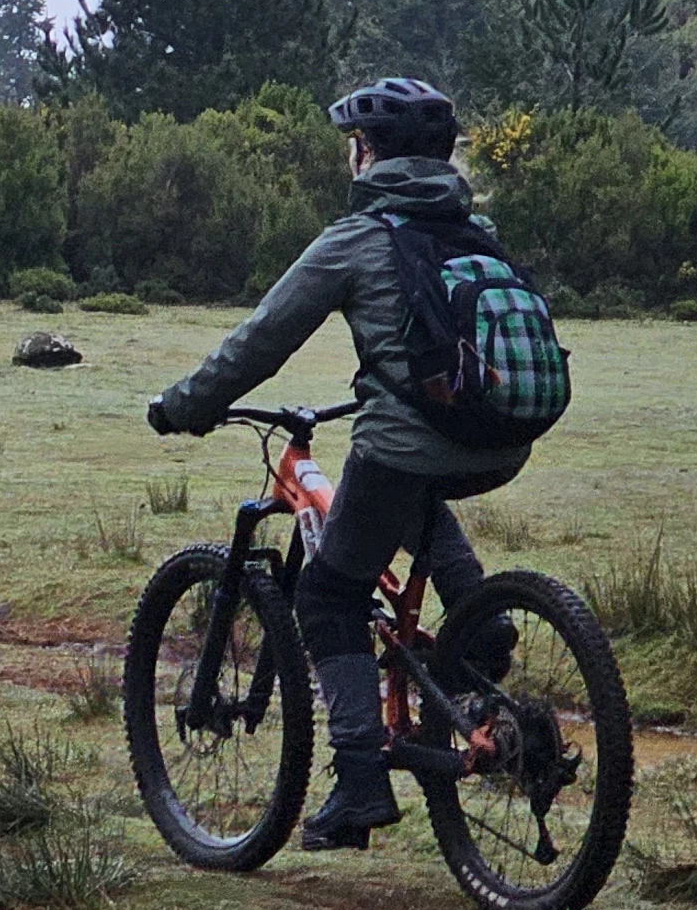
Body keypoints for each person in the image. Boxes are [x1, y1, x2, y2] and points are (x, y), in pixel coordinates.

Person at [144, 79, 525, 850]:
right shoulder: (474, 230)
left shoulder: (358, 237)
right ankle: (484, 631)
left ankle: (358, 780)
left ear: (368, 152)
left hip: (404, 444)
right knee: (417, 502)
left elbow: (261, 339)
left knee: (326, 596)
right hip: (501, 439)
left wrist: (184, 404)